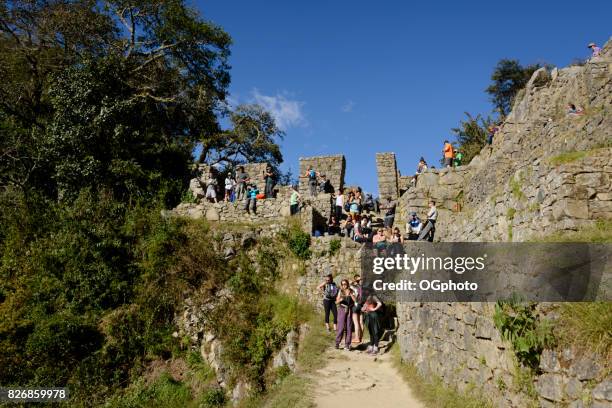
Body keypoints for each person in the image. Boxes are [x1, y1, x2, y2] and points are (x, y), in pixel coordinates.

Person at [335, 279, 356, 350]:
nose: (344, 286)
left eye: (345, 284)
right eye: (342, 284)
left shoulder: (351, 291)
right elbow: (336, 302)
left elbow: (355, 301)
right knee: (340, 327)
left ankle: (347, 344)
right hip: (342, 309)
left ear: (347, 284)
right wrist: (340, 300)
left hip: (349, 310)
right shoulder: (340, 291)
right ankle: (337, 343)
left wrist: (350, 294)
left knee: (349, 327)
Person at [350, 275, 364, 344]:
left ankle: (356, 338)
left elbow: (349, 283)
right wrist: (358, 279)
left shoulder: (354, 287)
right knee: (361, 322)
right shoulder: (362, 287)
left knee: (356, 323)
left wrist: (355, 280)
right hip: (361, 305)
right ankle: (361, 337)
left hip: (356, 305)